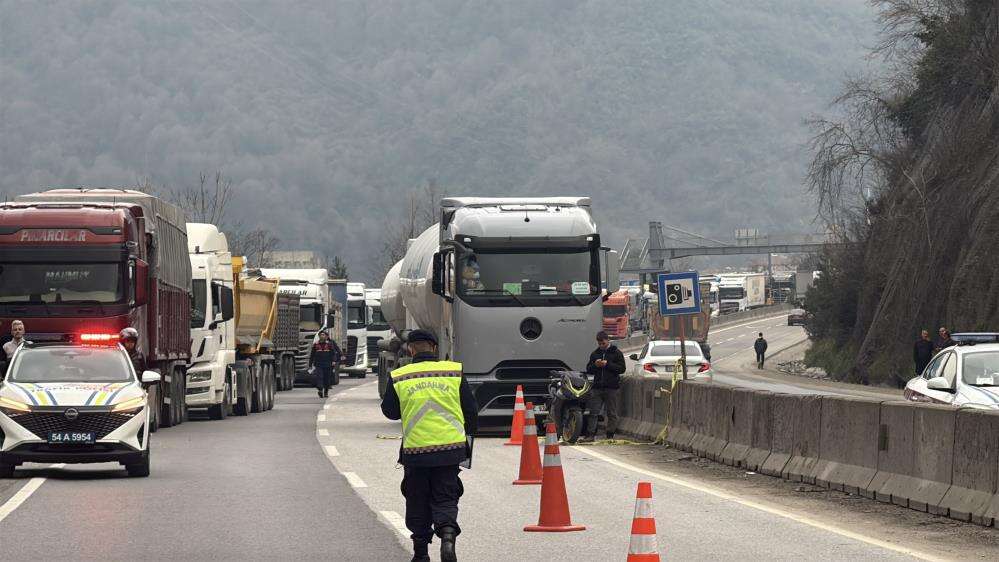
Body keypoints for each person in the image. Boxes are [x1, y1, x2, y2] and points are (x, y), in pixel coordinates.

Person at [380, 330, 478, 562]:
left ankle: (421, 553)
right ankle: (447, 536)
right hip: (450, 450)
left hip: (416, 453)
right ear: (434, 348)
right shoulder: (453, 372)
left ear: (411, 349)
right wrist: (468, 437)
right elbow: (471, 411)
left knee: (417, 499)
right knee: (446, 496)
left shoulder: (400, 376)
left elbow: (390, 412)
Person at [582, 331, 626, 442]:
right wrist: (596, 365)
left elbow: (621, 369)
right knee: (594, 412)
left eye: (603, 343)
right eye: (599, 343)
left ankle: (610, 434)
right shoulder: (595, 354)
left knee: (612, 412)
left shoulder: (616, 353)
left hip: (611, 387)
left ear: (608, 340)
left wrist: (608, 365)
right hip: (597, 387)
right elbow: (589, 369)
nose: (601, 345)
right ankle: (591, 434)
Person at [309, 330, 342, 398]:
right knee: (320, 377)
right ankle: (320, 390)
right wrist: (310, 364)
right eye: (321, 335)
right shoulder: (316, 344)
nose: (322, 336)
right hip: (319, 364)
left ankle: (326, 391)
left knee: (327, 378)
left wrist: (333, 361)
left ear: (326, 336)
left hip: (328, 364)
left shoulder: (329, 344)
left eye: (323, 335)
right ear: (319, 336)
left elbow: (333, 353)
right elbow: (312, 355)